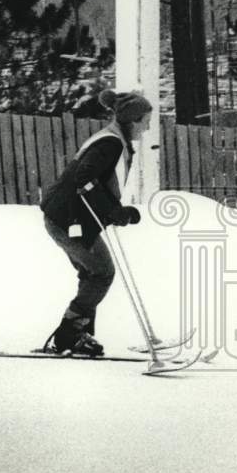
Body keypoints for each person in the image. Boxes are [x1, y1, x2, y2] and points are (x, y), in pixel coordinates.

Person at [39, 88, 152, 356]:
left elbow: (95, 181)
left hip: (65, 217)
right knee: (102, 273)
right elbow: (84, 177)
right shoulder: (110, 143)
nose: (147, 127)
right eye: (145, 121)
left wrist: (114, 211)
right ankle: (69, 334)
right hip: (67, 220)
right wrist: (114, 211)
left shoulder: (114, 139)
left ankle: (78, 337)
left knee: (92, 274)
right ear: (133, 120)